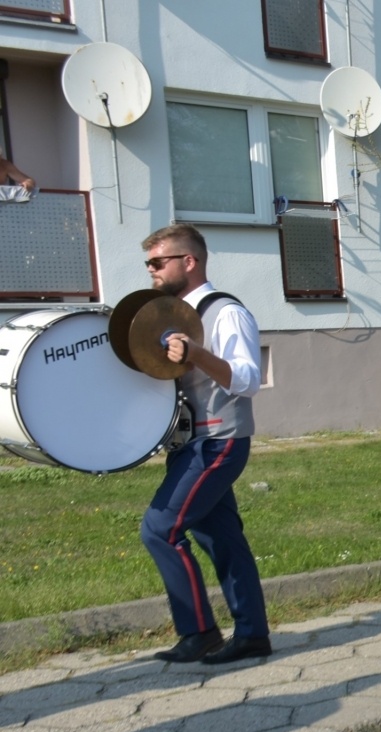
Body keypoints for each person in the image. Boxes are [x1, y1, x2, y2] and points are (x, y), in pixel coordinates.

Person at [137, 224, 272, 664]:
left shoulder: (225, 311)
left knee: (160, 528)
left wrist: (196, 353)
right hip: (189, 443)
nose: (152, 271)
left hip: (218, 440)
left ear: (189, 261)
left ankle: (199, 632)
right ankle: (251, 635)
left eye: (159, 262)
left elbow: (248, 380)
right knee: (221, 538)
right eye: (149, 264)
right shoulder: (169, 315)